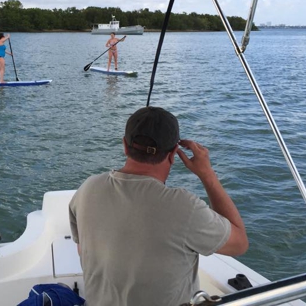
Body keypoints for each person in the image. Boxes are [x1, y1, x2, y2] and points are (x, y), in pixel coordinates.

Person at [69, 106, 248, 306]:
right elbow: (239, 243)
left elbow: (81, 250)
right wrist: (207, 174)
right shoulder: (184, 208)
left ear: (125, 146)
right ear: (173, 154)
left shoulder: (87, 189)